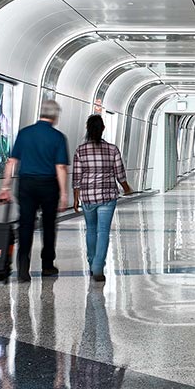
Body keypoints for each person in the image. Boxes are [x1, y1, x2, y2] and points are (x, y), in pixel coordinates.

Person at [0, 98, 70, 282]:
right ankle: (47, 265)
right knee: (49, 226)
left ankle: (23, 268)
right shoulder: (58, 137)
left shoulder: (25, 133)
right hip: (49, 185)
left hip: (26, 184)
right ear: (55, 116)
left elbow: (11, 162)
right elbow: (60, 167)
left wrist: (5, 187)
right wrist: (64, 194)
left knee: (25, 224)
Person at [72, 114, 132, 282]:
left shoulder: (80, 150)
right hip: (107, 196)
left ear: (87, 128)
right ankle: (98, 267)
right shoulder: (112, 149)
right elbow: (120, 174)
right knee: (103, 231)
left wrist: (76, 198)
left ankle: (92, 263)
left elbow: (77, 177)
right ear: (103, 129)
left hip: (88, 197)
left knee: (91, 229)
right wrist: (126, 188)